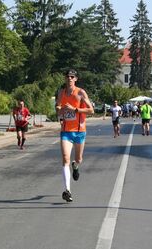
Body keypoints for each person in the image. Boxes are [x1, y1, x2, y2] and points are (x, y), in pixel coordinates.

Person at [56, 69, 94, 202]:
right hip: (66, 131)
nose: (69, 79)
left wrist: (75, 109)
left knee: (78, 159)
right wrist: (60, 110)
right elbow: (58, 110)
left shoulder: (80, 92)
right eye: (67, 76)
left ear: (76, 79)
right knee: (65, 158)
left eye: (72, 77)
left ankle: (76, 166)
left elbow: (91, 110)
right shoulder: (61, 93)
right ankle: (67, 190)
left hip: (79, 132)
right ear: (65, 78)